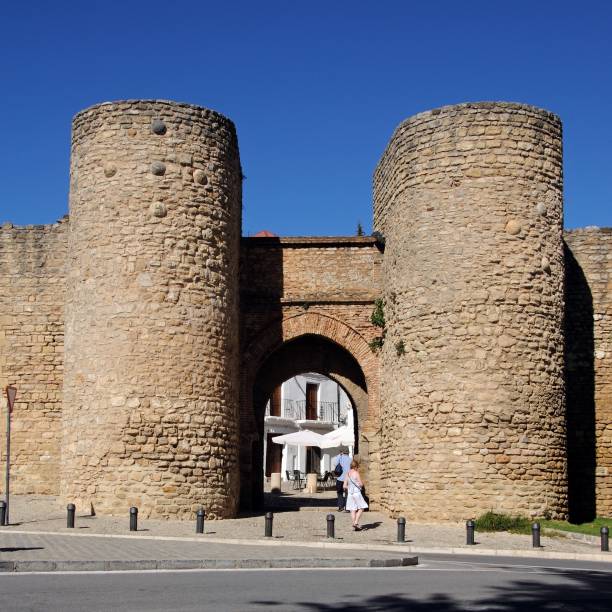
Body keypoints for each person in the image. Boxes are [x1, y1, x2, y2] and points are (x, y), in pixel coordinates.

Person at [343, 458, 368, 530]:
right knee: (362, 507)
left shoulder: (347, 474)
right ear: (356, 466)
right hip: (356, 493)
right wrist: (360, 484)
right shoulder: (356, 473)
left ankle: (354, 524)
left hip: (350, 494)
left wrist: (350, 487)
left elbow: (344, 486)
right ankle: (356, 522)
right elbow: (361, 484)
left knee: (352, 509)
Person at [332, 447, 351, 511]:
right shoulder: (350, 459)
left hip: (340, 479)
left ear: (342, 452)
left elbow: (334, 463)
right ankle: (347, 508)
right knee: (347, 493)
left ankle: (341, 507)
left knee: (339, 493)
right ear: (348, 453)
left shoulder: (340, 458)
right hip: (348, 479)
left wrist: (339, 455)